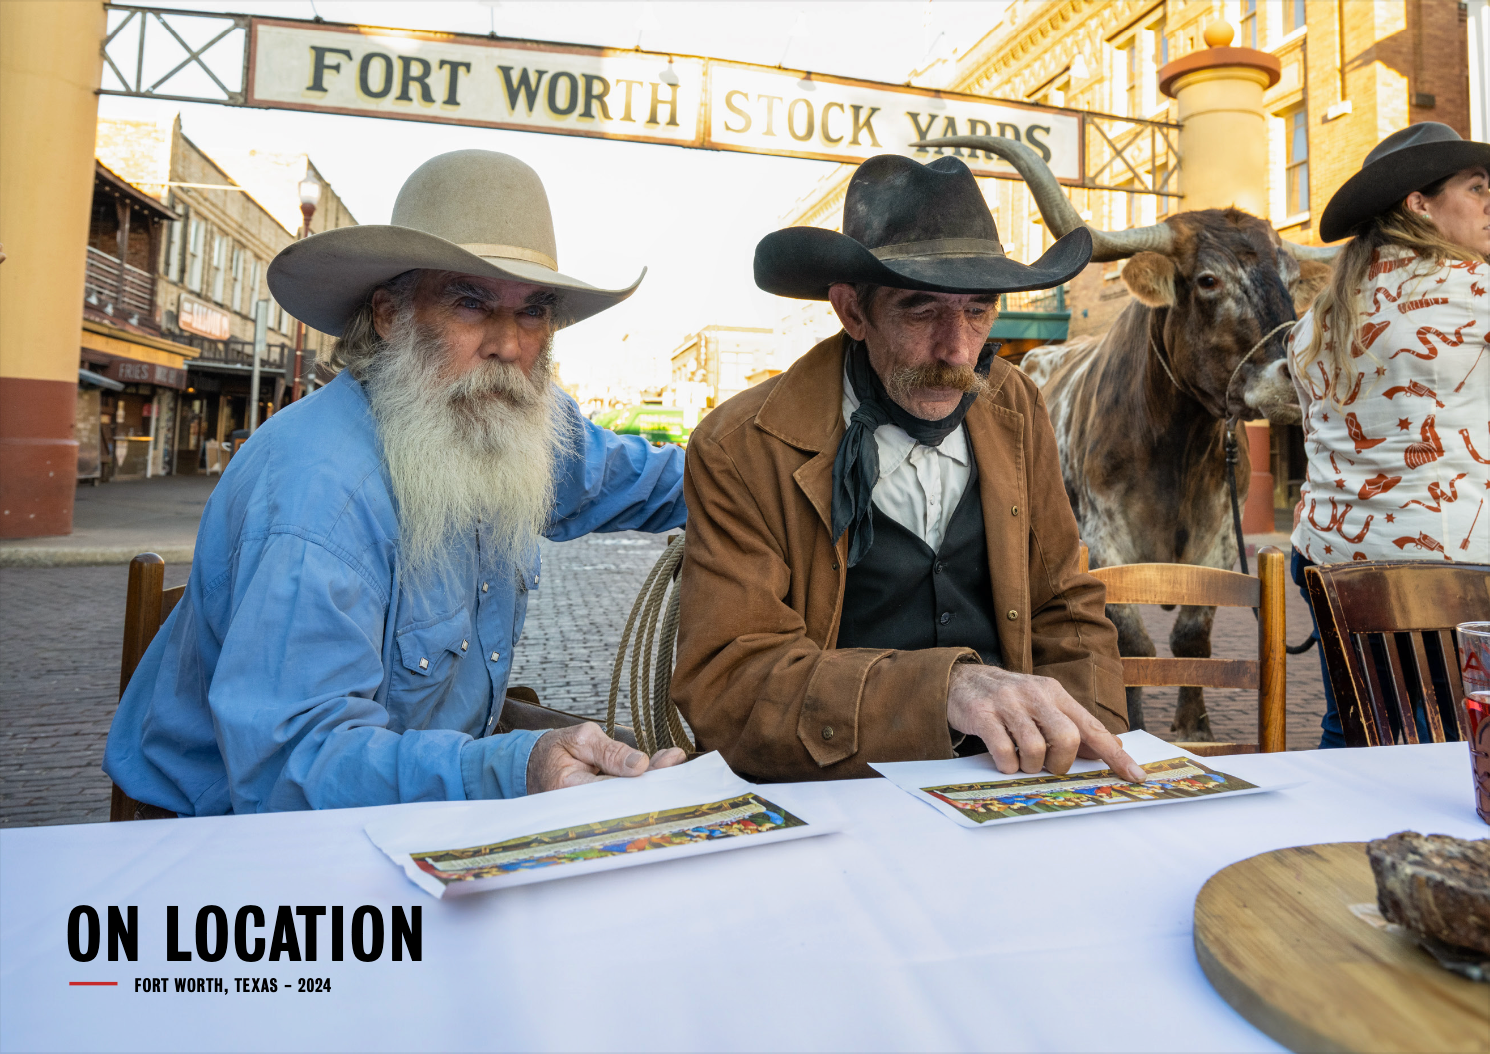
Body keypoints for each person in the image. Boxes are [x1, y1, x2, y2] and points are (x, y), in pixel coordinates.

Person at [105, 150, 687, 815]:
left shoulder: (503, 421)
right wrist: (516, 766)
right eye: (471, 302)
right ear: (389, 314)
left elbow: (668, 481)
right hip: (233, 848)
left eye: (533, 312)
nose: (508, 345)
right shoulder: (321, 494)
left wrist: (794, 455)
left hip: (411, 810)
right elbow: (290, 771)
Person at [670, 154, 1145, 784]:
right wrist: (944, 691)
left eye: (978, 310)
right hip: (840, 786)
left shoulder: (1014, 405)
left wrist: (1085, 744)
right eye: (921, 312)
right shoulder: (741, 447)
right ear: (853, 312)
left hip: (1005, 779)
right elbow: (729, 682)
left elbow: (1064, 603)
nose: (956, 349)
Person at [1290, 122, 1490, 747]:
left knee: (1354, 730)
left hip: (1331, 560)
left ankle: (1335, 843)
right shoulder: (1480, 292)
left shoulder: (1313, 322)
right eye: (1479, 189)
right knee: (1462, 743)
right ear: (1419, 204)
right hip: (1458, 569)